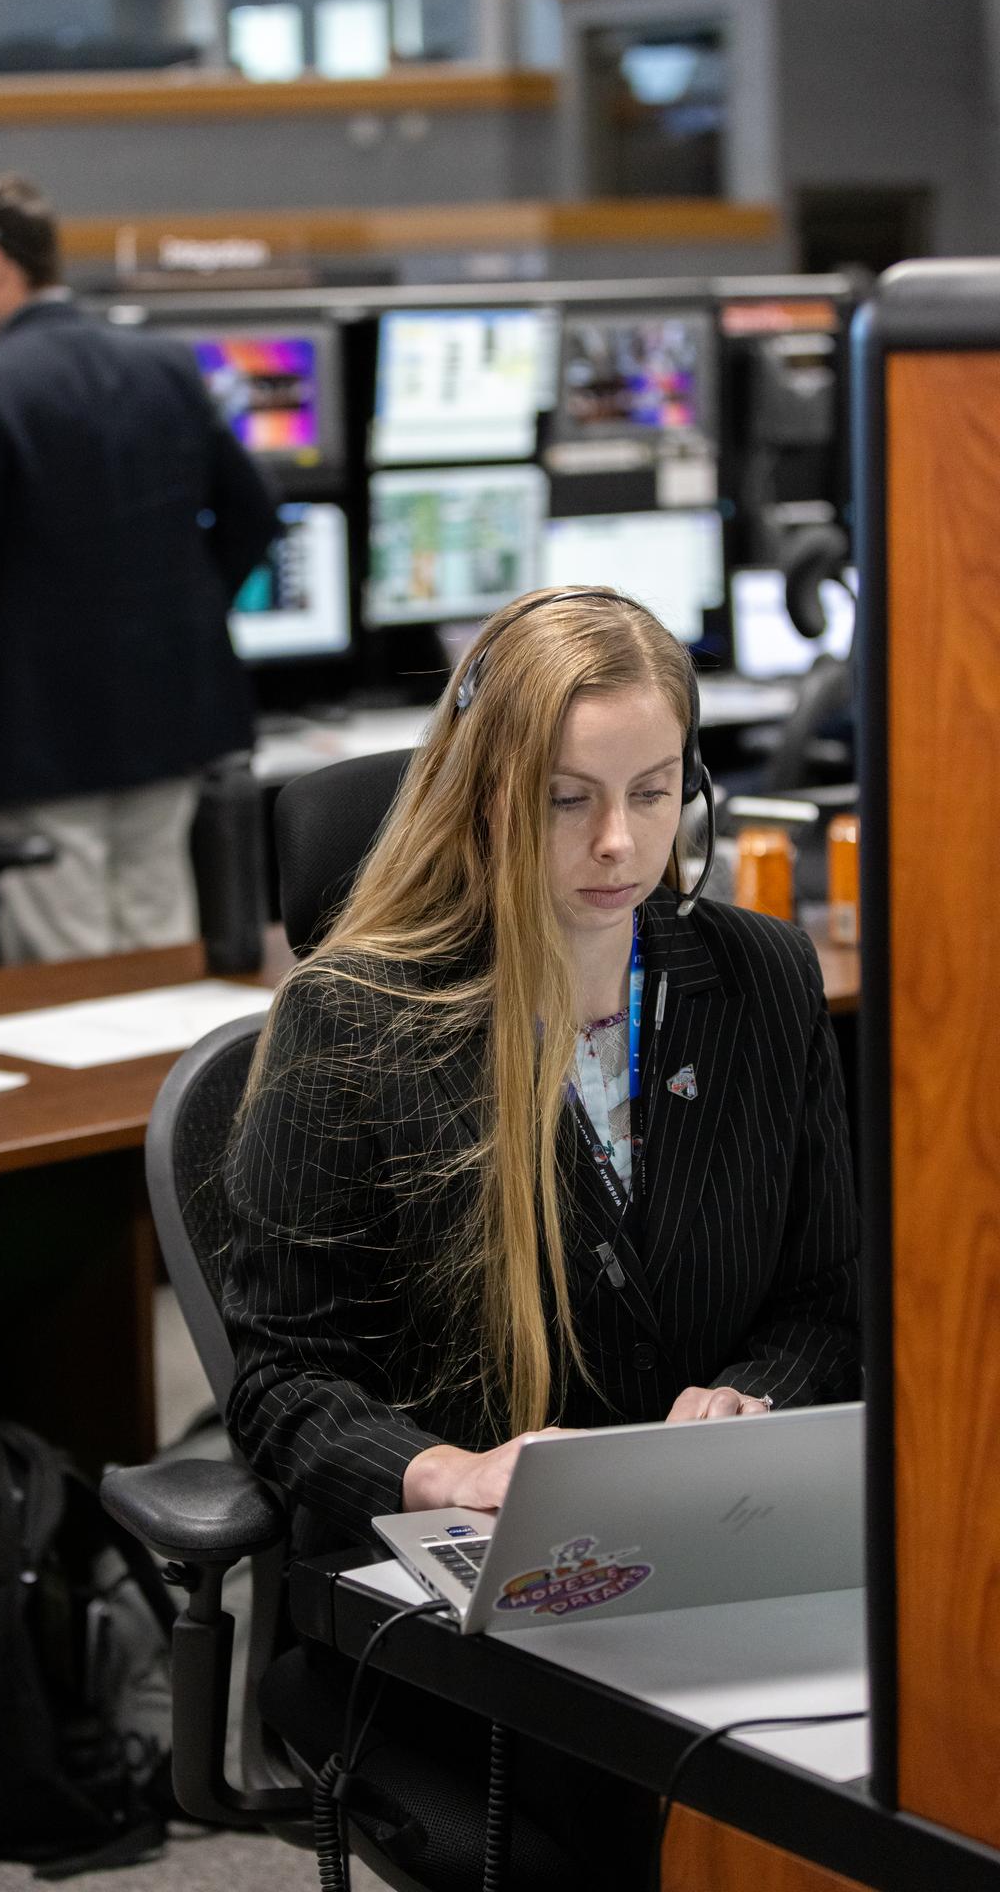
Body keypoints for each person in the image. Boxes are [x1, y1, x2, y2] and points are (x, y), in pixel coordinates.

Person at [222, 586, 860, 1883]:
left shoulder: (758, 979)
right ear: (487, 792)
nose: (620, 844)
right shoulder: (353, 1019)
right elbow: (283, 1387)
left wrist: (755, 1392)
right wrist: (444, 1471)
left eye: (657, 791)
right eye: (570, 799)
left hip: (714, 1559)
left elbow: (825, 1296)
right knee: (684, 1817)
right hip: (467, 1612)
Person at [0, 173, 280, 962]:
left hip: (37, 736)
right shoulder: (166, 366)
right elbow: (253, 513)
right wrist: (189, 610)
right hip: (173, 715)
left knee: (68, 990)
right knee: (161, 959)